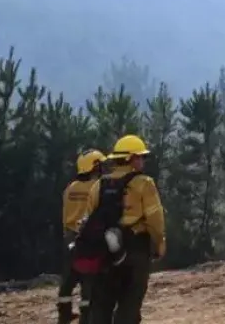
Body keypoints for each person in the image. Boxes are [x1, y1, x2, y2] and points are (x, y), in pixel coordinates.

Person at [87, 134, 165, 324]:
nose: (143, 161)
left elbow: (90, 218)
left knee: (102, 306)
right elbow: (155, 218)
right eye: (141, 157)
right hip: (136, 251)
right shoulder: (144, 184)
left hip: (105, 253)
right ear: (131, 159)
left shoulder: (99, 185)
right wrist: (159, 244)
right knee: (129, 305)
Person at [57, 149, 105, 324]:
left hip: (69, 236)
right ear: (94, 167)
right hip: (88, 238)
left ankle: (64, 315)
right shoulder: (97, 187)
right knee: (88, 281)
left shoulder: (70, 188)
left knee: (68, 281)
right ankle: (86, 317)